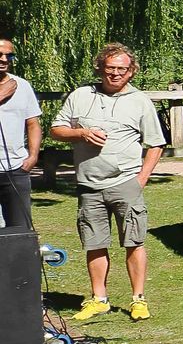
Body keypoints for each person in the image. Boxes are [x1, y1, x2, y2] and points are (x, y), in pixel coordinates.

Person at [50, 44, 165, 320]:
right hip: (89, 185)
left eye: (121, 69)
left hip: (126, 183)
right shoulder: (80, 96)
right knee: (94, 243)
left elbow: (156, 144)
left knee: (134, 241)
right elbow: (56, 129)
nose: (115, 74)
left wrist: (141, 179)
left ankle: (138, 300)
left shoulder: (140, 101)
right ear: (100, 68)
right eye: (110, 68)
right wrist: (81, 133)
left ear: (131, 71)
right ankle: (99, 299)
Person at [0, 37, 41, 229]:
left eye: (9, 56)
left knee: (20, 230)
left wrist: (33, 157)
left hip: (16, 169)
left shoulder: (22, 85)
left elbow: (33, 124)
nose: (4, 59)